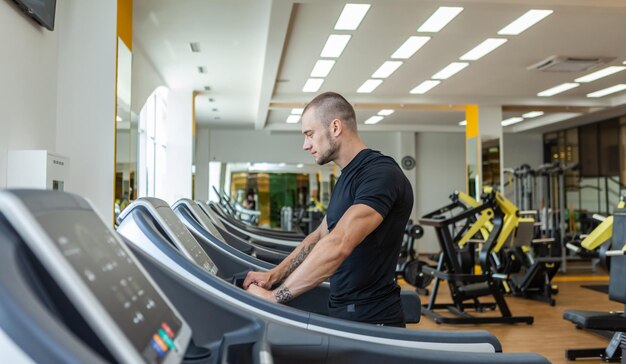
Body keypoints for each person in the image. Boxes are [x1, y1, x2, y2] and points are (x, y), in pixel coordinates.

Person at [244, 92, 413, 327]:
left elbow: (339, 243)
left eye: (309, 134)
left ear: (335, 127)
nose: (306, 145)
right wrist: (273, 275)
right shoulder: (346, 178)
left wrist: (275, 297)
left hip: (373, 319)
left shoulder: (380, 174)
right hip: (345, 312)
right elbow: (320, 236)